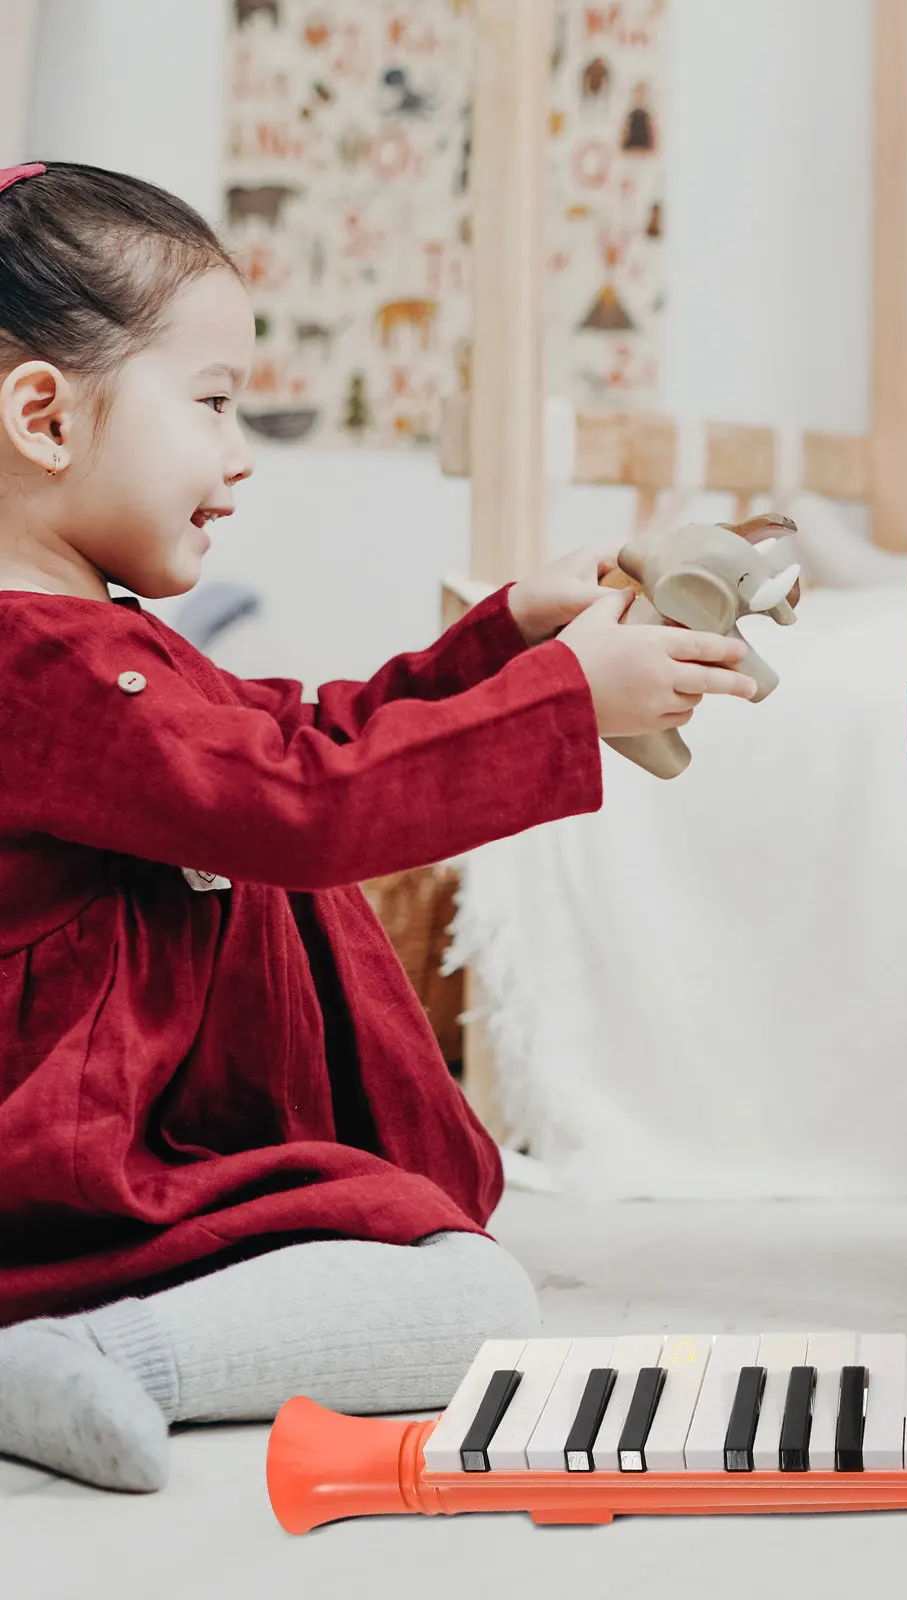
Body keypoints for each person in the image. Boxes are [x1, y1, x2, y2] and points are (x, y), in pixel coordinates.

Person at [0, 161, 758, 1491]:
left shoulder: (92, 645)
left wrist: (502, 640)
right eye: (215, 402)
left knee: (440, 1274)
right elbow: (303, 806)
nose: (240, 452)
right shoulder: (41, 667)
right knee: (471, 1306)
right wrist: (562, 704)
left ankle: (92, 1341)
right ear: (46, 418)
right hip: (66, 1169)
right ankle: (101, 1353)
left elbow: (301, 738)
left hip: (131, 1140)